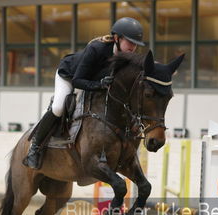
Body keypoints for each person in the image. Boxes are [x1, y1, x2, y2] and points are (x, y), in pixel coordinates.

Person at [23, 17, 145, 169]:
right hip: (69, 75)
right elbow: (78, 81)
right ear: (117, 38)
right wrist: (99, 85)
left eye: (136, 44)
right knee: (59, 108)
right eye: (130, 42)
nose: (133, 47)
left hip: (94, 82)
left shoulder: (127, 57)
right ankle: (35, 148)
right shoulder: (97, 48)